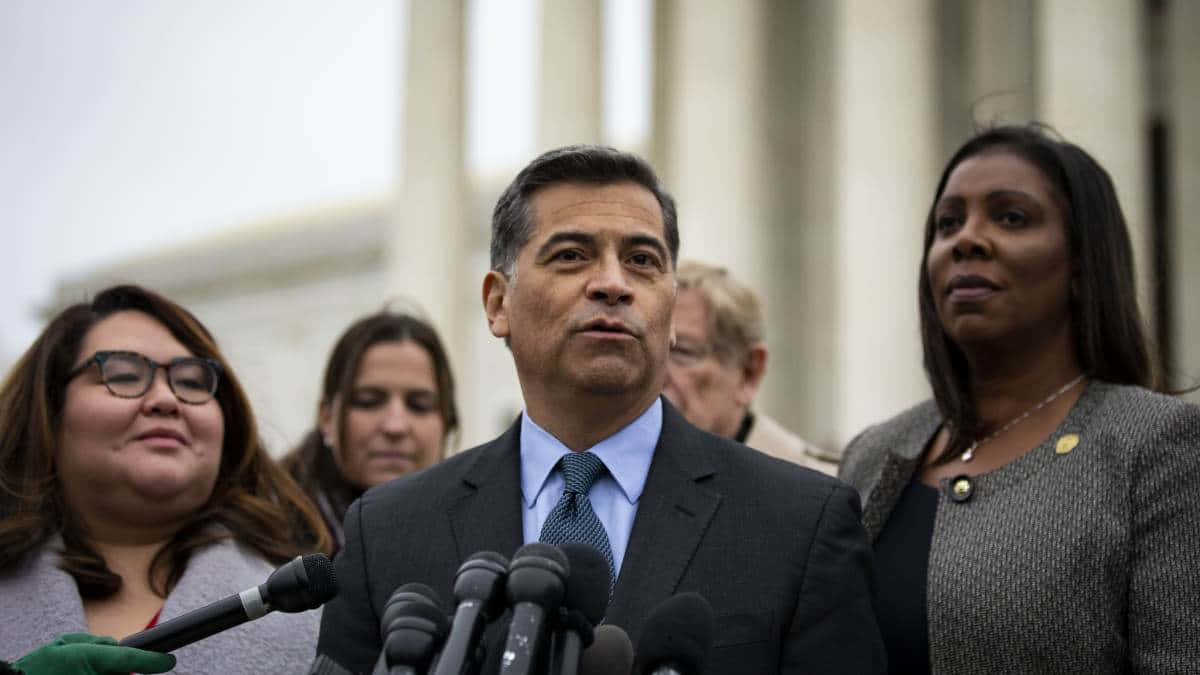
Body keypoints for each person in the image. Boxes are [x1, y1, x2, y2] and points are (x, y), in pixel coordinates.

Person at [315, 145, 885, 674]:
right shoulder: (385, 531)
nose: (613, 284)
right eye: (571, 255)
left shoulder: (801, 523)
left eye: (641, 260)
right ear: (497, 303)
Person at [838, 125, 1200, 673]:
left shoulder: (1157, 447)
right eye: (947, 223)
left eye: (1011, 217)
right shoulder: (872, 453)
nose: (966, 240)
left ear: (1081, 263)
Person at [0, 284, 331, 674]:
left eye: (192, 382)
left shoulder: (326, 624)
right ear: (48, 411)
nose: (166, 399)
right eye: (123, 375)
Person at [281, 309, 459, 552]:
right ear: (326, 416)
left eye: (419, 405)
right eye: (369, 401)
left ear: (447, 422)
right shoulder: (263, 535)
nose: (395, 426)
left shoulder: (475, 534)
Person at [664, 259, 838, 475]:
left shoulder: (823, 494)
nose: (654, 373)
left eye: (682, 352)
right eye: (646, 351)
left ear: (749, 372)